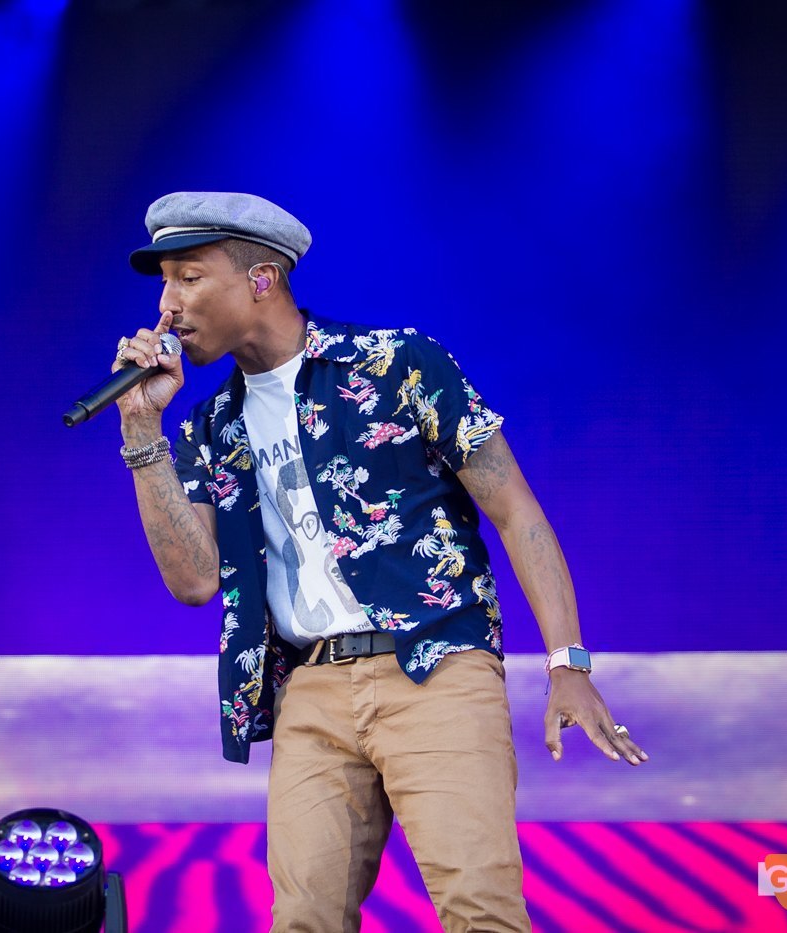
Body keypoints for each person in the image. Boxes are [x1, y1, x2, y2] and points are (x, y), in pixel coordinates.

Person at [112, 192, 647, 933]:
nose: (167, 307)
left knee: (480, 911)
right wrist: (143, 429)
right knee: (303, 919)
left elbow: (516, 509)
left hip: (435, 666)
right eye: (164, 282)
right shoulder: (211, 424)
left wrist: (568, 661)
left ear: (262, 278)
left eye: (189, 277)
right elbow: (195, 581)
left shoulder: (398, 364)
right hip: (311, 688)